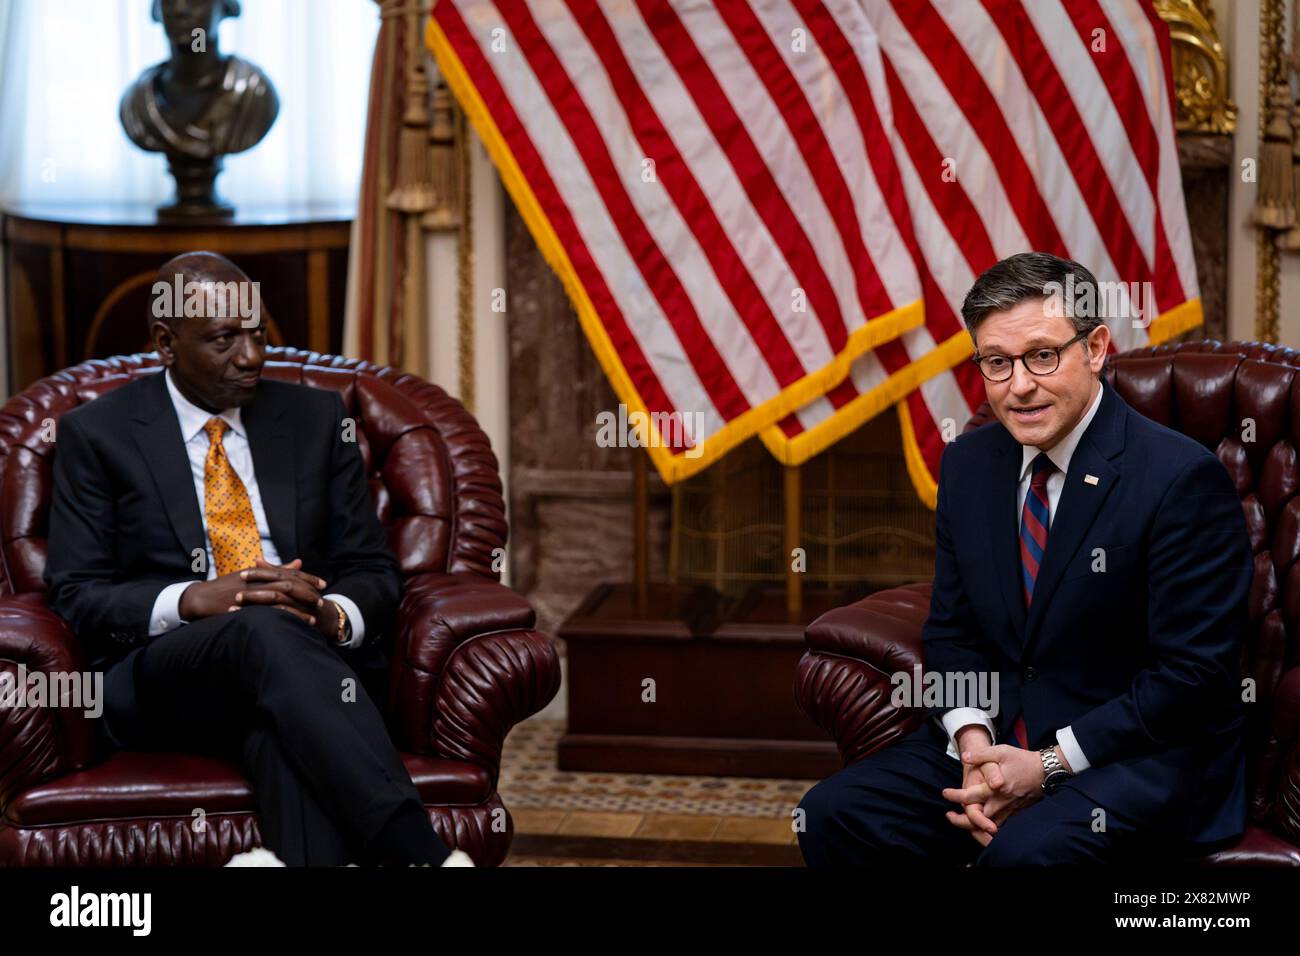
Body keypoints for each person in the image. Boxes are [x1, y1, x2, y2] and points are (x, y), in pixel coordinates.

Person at [797, 252, 1253, 865]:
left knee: (1025, 857)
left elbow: (1192, 679)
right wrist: (974, 743)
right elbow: (954, 629)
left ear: (1094, 348)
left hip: (1136, 757)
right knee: (834, 815)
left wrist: (1044, 765)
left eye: (1042, 355)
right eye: (997, 362)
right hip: (999, 745)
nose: (1019, 386)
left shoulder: (1179, 479)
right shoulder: (968, 465)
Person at [44, 251, 471, 867]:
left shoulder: (316, 420)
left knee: (277, 720)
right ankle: (419, 856)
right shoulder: (97, 433)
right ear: (166, 343)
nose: (251, 356)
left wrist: (330, 614)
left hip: (306, 673)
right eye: (224, 339)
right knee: (258, 623)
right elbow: (76, 595)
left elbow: (373, 569)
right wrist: (195, 600)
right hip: (165, 675)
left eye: (257, 334)